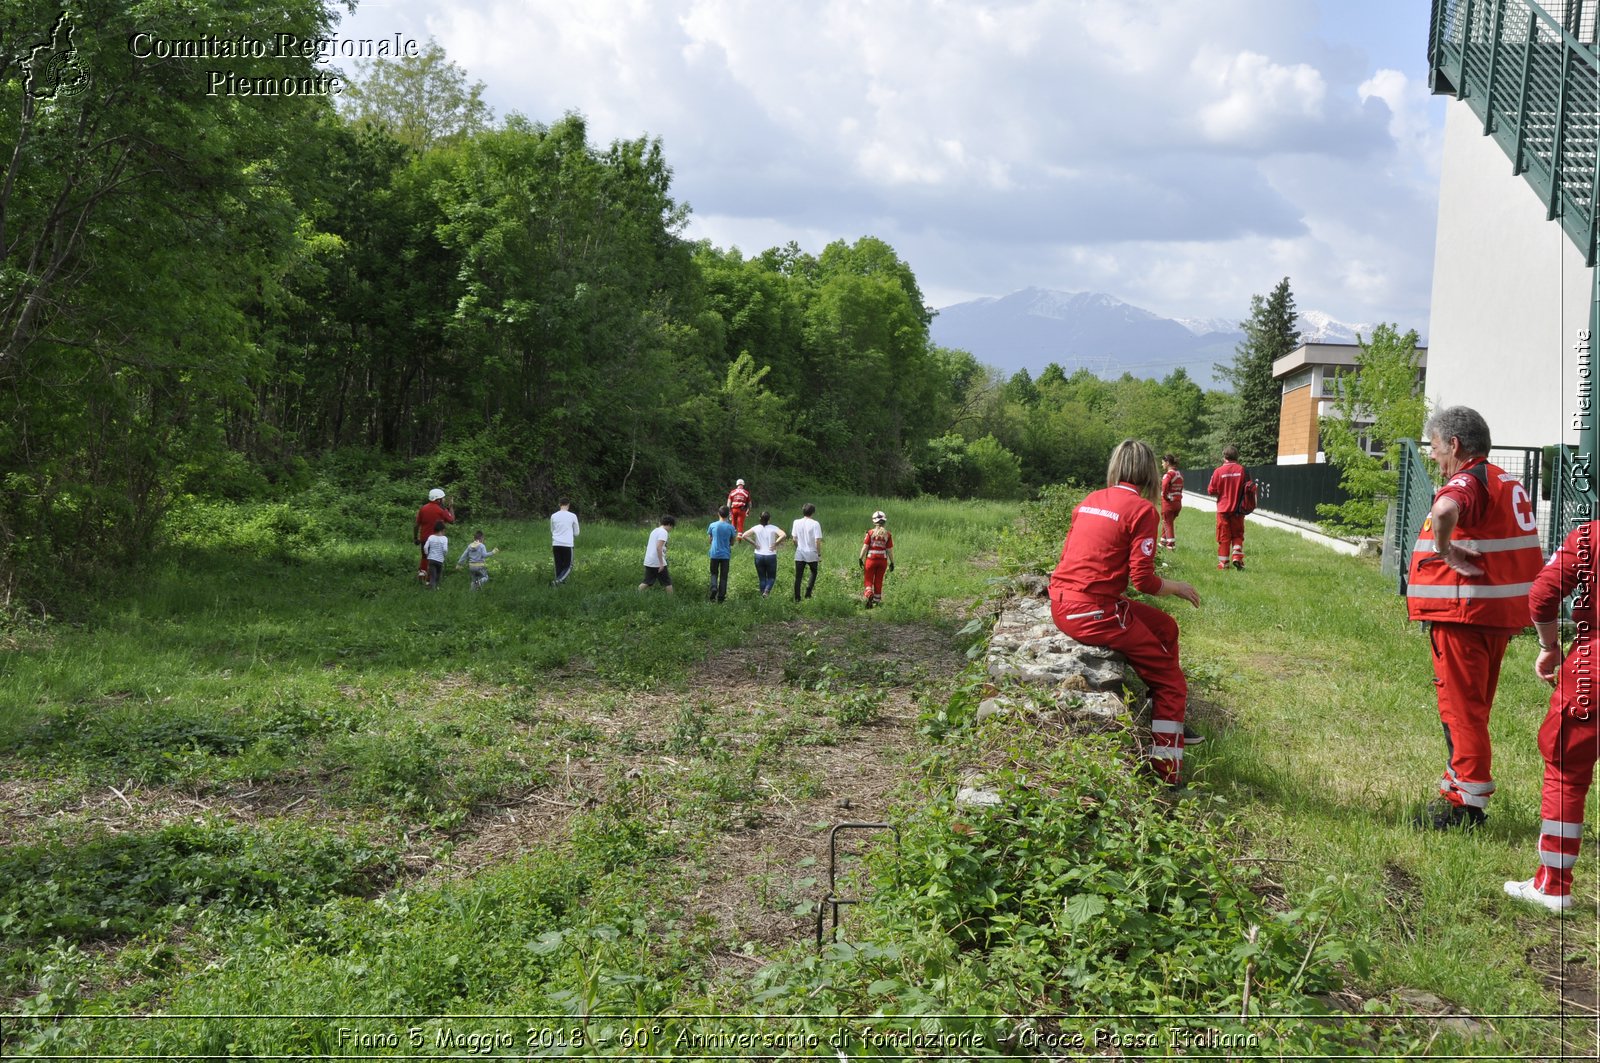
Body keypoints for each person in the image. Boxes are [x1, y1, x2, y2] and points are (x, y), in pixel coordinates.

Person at [1406, 406, 1543, 830]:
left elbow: (1446, 510)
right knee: (1474, 709)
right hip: (1492, 615)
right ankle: (1464, 788)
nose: (1433, 457)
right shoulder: (1505, 482)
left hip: (1464, 615)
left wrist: (1446, 550)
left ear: (1455, 445)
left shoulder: (1467, 479)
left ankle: (1464, 806)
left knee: (1461, 710)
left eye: (1434, 447)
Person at [1049, 440, 1202, 785]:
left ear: (1115, 467)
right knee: (1173, 682)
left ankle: (1160, 709)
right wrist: (1176, 586)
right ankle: (1167, 774)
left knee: (1165, 628)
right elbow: (1143, 580)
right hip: (1093, 611)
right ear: (1150, 471)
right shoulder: (1143, 511)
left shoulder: (1090, 500)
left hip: (1064, 603)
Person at [1506, 520, 1600, 911]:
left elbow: (1543, 593)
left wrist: (1548, 645)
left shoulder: (1591, 536)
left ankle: (1554, 886)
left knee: (1566, 771)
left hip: (1592, 670)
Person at [1206, 446, 1247, 570]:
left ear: (1224, 456)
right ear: (1237, 456)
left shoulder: (1218, 471)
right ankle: (1237, 556)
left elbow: (1211, 490)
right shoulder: (1242, 470)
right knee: (1238, 534)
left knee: (1223, 537)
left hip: (1223, 510)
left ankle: (1223, 564)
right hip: (1238, 510)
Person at [740, 511, 787, 597]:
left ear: (760, 518)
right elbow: (783, 535)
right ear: (769, 519)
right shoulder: (773, 528)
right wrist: (776, 544)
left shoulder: (756, 528)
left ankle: (763, 596)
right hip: (770, 555)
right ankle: (767, 591)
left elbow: (744, 535)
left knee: (762, 578)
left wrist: (754, 544)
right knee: (771, 577)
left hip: (758, 555)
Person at [415, 488, 454, 583]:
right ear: (438, 499)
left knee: (425, 557)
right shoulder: (441, 510)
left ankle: (422, 573)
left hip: (424, 538)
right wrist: (451, 507)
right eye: (443, 498)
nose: (444, 500)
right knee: (434, 558)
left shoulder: (423, 508)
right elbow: (452, 520)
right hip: (437, 539)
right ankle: (431, 580)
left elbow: (416, 525)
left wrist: (415, 537)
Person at [857, 510, 895, 608]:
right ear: (884, 521)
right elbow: (889, 550)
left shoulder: (870, 533)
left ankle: (869, 594)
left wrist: (860, 558)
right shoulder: (888, 534)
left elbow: (865, 547)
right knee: (878, 581)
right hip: (882, 561)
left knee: (868, 579)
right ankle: (876, 602)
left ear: (874, 521)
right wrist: (892, 562)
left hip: (871, 560)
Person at [792, 503, 823, 601]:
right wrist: (818, 554)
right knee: (814, 572)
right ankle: (808, 593)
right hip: (811, 552)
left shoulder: (796, 522)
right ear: (813, 512)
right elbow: (817, 540)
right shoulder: (815, 523)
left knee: (798, 576)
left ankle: (797, 598)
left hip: (800, 552)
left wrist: (798, 547)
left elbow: (794, 538)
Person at [707, 505, 737, 602]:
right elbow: (732, 543)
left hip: (714, 554)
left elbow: (710, 540)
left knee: (714, 573)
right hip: (725, 555)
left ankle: (714, 588)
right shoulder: (731, 527)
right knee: (724, 576)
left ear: (718, 514)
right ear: (728, 515)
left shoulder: (712, 525)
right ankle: (721, 597)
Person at [638, 516, 675, 592]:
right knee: (667, 583)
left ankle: (636, 594)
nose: (671, 529)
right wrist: (661, 563)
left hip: (649, 560)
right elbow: (659, 547)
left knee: (647, 581)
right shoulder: (664, 532)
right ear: (669, 524)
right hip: (657, 561)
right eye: (672, 527)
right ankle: (671, 601)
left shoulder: (655, 530)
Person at [550, 498, 580, 586]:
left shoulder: (553, 515)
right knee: (568, 565)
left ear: (559, 504)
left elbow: (552, 530)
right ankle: (558, 582)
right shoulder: (572, 516)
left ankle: (558, 584)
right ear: (568, 505)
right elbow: (577, 533)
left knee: (558, 565)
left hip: (556, 543)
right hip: (567, 544)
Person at [1159, 454, 1184, 551]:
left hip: (1169, 503)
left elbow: (1164, 487)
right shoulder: (1180, 475)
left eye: (1162, 463)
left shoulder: (1168, 475)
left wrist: (1165, 496)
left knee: (1167, 523)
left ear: (1167, 463)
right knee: (1167, 522)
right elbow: (1181, 488)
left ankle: (1171, 545)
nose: (1162, 465)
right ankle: (1162, 542)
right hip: (1178, 503)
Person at [422, 521, 449, 590]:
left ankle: (432, 589)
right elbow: (445, 549)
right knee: (438, 575)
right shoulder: (444, 538)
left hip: (431, 559)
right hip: (440, 560)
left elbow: (425, 547)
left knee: (432, 576)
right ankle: (436, 588)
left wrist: (427, 554)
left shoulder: (431, 537)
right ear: (443, 530)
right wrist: (444, 555)